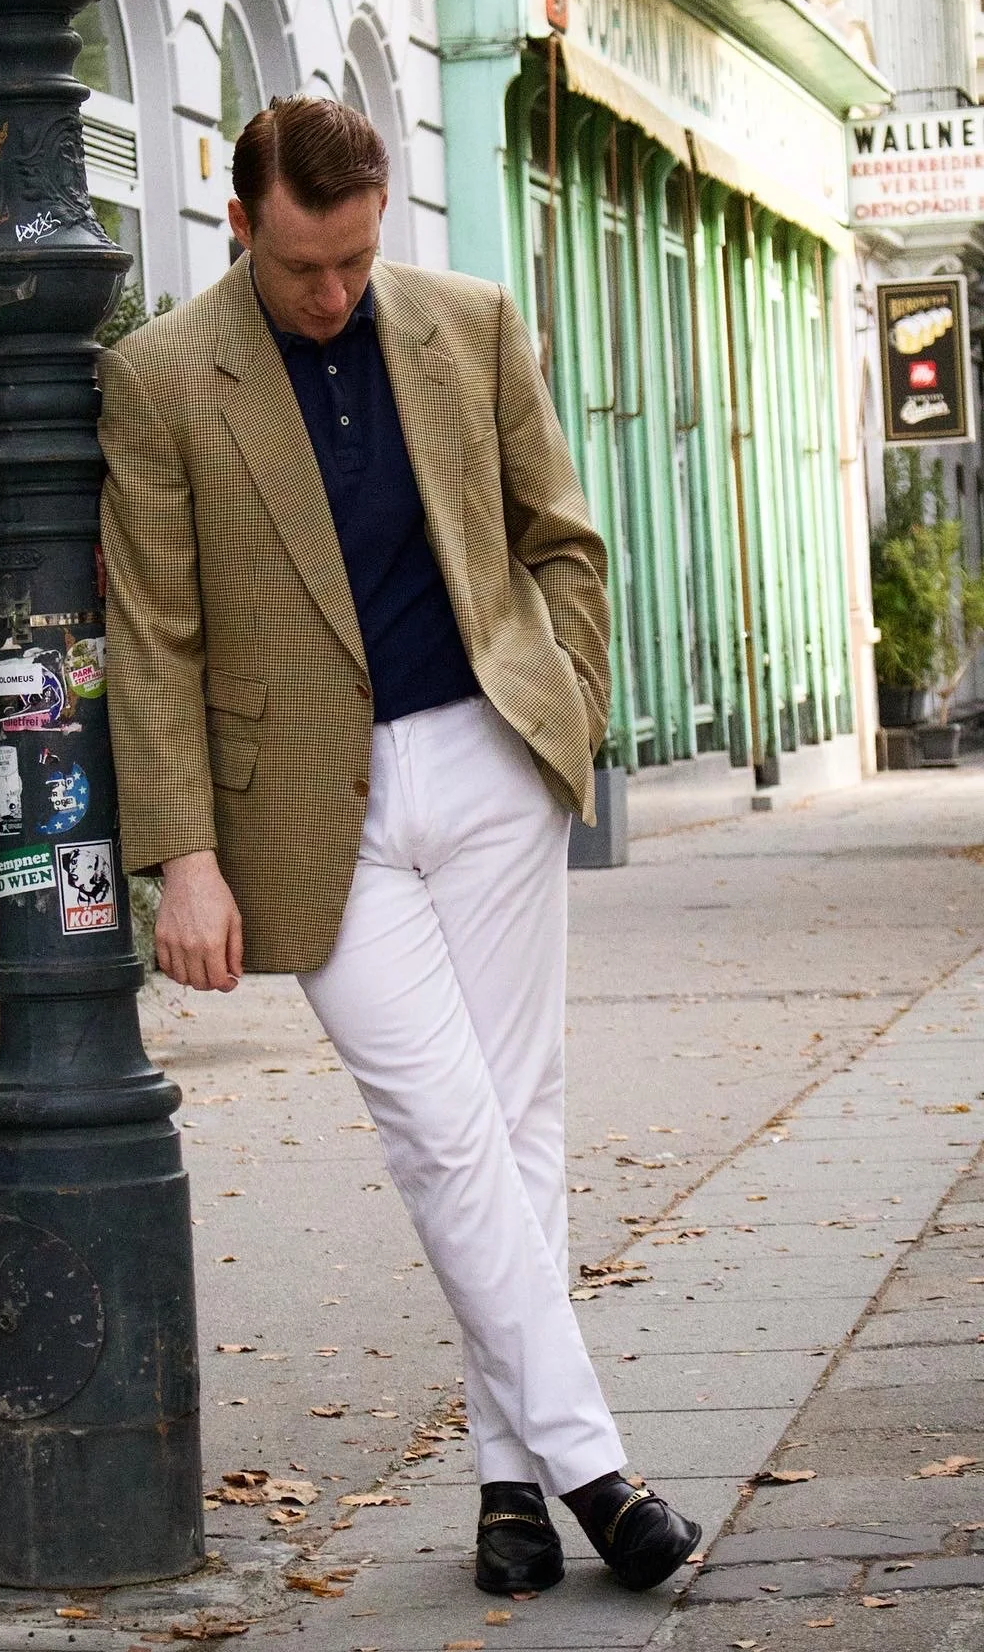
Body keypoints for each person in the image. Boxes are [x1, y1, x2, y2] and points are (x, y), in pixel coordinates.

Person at [97, 95, 700, 1596]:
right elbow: (152, 635)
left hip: (490, 767)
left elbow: (562, 538)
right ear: (242, 225)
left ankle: (509, 1491)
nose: (336, 293)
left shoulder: (465, 323)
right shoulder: (166, 377)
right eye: (307, 264)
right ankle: (595, 1469)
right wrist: (183, 856)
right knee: (442, 1134)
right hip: (313, 816)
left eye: (359, 257)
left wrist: (560, 712)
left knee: (516, 1130)